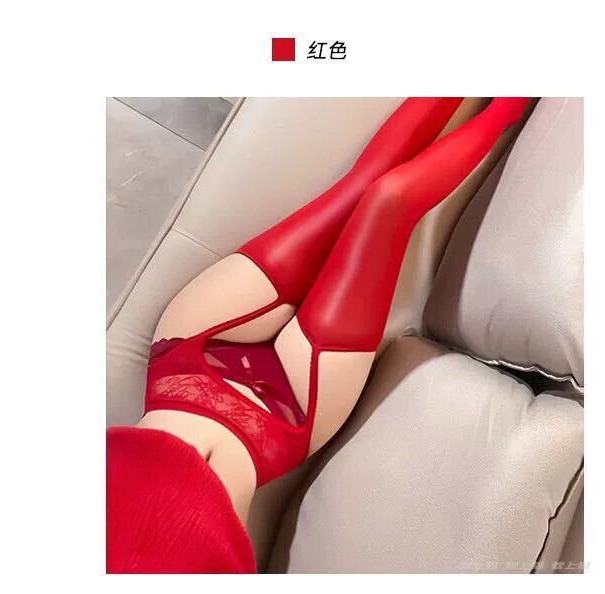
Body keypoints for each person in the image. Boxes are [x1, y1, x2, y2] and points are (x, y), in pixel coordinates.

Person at [106, 96, 530, 573]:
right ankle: (512, 103)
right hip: (287, 414)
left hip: (189, 357)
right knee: (388, 201)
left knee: (362, 184)